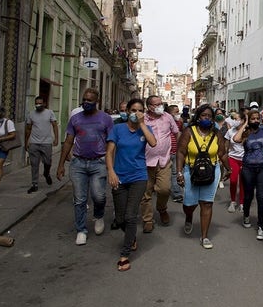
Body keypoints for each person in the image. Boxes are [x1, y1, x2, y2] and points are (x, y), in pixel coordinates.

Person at [56, 88, 113, 246]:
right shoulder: (75, 119)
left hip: (98, 162)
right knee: (80, 199)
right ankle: (81, 230)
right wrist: (60, 164)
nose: (86, 103)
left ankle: (98, 215)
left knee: (99, 196)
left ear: (97, 102)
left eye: (90, 100)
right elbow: (68, 141)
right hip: (78, 163)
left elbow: (111, 143)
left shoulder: (106, 119)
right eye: (84, 99)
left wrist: (111, 166)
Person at [106, 98, 156, 271]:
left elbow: (153, 143)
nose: (136, 113)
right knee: (120, 219)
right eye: (133, 110)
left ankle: (125, 253)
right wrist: (111, 172)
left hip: (138, 177)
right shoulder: (118, 129)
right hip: (119, 177)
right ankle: (131, 237)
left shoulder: (145, 129)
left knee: (130, 215)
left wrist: (142, 124)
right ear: (127, 111)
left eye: (140, 110)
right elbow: (109, 152)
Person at [175, 104, 231, 249]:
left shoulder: (216, 133)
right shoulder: (189, 131)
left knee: (206, 203)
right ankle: (189, 216)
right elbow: (180, 152)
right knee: (190, 203)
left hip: (211, 171)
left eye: (209, 116)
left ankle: (204, 236)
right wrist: (179, 172)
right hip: (191, 170)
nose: (207, 118)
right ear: (198, 117)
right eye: (204, 115)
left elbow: (222, 153)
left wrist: (228, 169)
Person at [233, 109, 263, 239]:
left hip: (262, 168)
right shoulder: (245, 132)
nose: (255, 121)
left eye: (257, 118)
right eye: (253, 119)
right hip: (247, 169)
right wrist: (245, 123)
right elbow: (236, 139)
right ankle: (246, 215)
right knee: (248, 196)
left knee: (261, 197)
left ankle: (261, 226)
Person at [140, 95, 180, 233]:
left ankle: (162, 208)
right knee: (146, 192)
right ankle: (147, 219)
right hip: (145, 162)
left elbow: (176, 132)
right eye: (156, 104)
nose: (160, 106)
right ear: (149, 107)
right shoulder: (142, 119)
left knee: (164, 189)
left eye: (161, 103)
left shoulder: (167, 117)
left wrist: (179, 150)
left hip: (164, 160)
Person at [25, 96, 59, 194]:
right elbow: (28, 128)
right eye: (36, 103)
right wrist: (27, 141)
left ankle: (46, 173)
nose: (38, 105)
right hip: (34, 143)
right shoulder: (31, 114)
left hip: (46, 142)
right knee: (34, 164)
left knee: (48, 161)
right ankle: (34, 184)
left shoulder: (49, 113)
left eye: (40, 103)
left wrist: (56, 138)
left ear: (44, 103)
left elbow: (55, 125)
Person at [224, 112, 245, 213]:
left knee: (242, 182)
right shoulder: (230, 131)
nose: (236, 121)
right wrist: (224, 157)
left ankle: (241, 203)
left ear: (243, 121)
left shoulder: (247, 131)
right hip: (232, 158)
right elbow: (226, 145)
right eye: (234, 119)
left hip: (244, 160)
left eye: (238, 119)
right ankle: (233, 202)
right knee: (233, 181)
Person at [167, 105, 184, 203]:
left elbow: (180, 134)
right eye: (176, 112)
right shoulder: (165, 122)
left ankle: (177, 194)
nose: (178, 114)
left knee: (175, 173)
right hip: (165, 152)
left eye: (178, 112)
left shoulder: (179, 122)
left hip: (176, 151)